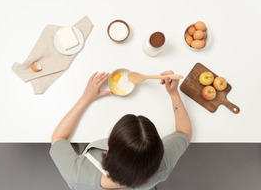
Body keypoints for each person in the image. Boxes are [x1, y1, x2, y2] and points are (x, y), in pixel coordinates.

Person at [50, 71, 192, 190]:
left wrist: (86, 98)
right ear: (158, 152)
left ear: (108, 148)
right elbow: (184, 132)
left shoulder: (77, 176)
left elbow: (58, 138)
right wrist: (173, 93)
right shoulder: (163, 165)